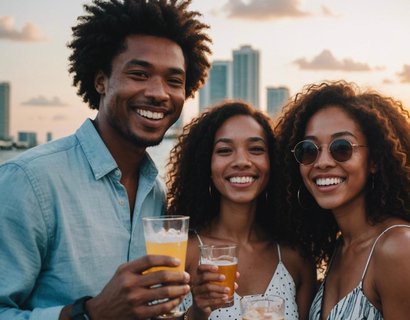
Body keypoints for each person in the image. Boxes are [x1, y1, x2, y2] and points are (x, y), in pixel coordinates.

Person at [0, 0, 211, 319]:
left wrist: (196, 310)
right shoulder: (29, 181)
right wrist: (91, 313)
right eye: (139, 74)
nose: (159, 93)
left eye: (174, 81)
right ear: (101, 81)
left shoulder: (156, 191)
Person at [274, 81, 410, 320]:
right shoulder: (341, 248)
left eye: (341, 148)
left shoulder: (399, 248)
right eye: (309, 150)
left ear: (374, 160)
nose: (322, 162)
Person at [165, 101, 317, 320]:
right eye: (225, 150)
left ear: (272, 162)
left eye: (255, 149)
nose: (242, 161)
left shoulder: (296, 258)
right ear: (206, 164)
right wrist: (197, 312)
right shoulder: (183, 251)